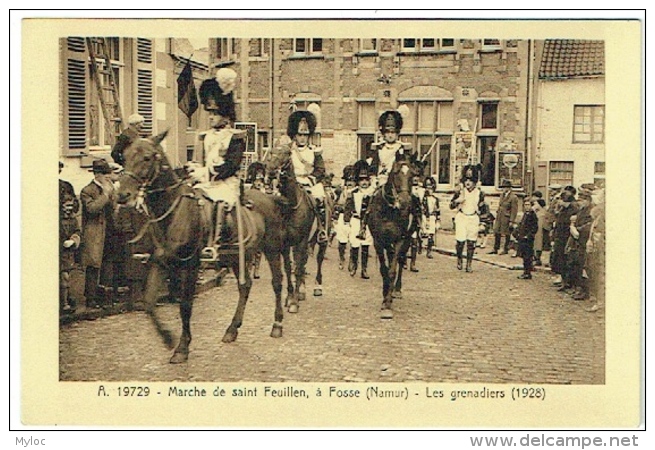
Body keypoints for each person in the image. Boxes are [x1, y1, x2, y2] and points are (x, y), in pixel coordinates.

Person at [196, 68, 245, 258]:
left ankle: (213, 245)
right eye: (209, 113)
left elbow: (232, 165)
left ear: (225, 114)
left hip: (226, 183)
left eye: (214, 114)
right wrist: (195, 170)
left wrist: (208, 174)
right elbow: (202, 160)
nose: (210, 117)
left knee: (218, 203)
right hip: (207, 181)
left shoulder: (235, 137)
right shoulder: (205, 136)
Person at [283, 110, 329, 243]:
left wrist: (311, 179)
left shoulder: (314, 151)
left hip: (310, 182)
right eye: (299, 135)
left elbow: (320, 169)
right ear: (294, 135)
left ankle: (321, 229)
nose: (302, 138)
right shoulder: (288, 150)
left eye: (305, 135)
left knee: (320, 199)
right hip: (293, 181)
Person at [80, 159, 116, 309]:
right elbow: (92, 209)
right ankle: (91, 298)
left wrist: (112, 195)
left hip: (109, 230)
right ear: (97, 175)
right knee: (93, 265)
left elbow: (114, 207)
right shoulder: (87, 190)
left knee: (108, 263)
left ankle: (106, 298)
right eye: (106, 175)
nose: (108, 177)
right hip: (94, 232)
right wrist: (106, 196)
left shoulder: (110, 188)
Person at [344, 160, 375, 279]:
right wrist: (347, 221)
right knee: (355, 244)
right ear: (358, 181)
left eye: (366, 180)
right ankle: (354, 264)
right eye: (361, 180)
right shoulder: (352, 193)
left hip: (367, 222)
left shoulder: (372, 194)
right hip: (356, 221)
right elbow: (348, 207)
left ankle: (364, 269)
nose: (364, 183)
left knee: (365, 245)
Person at [366, 110, 414, 187]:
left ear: (397, 133)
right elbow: (373, 167)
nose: (390, 135)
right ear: (384, 134)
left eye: (393, 132)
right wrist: (373, 178)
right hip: (380, 180)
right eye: (387, 132)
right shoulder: (379, 148)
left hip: (398, 182)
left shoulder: (402, 148)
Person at [450, 164, 483, 272]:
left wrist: (483, 221)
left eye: (471, 180)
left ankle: (469, 264)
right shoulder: (460, 192)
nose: (468, 183)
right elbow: (451, 206)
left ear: (475, 181)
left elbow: (483, 209)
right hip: (462, 217)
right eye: (466, 180)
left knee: (471, 243)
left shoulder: (479, 193)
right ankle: (459, 258)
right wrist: (457, 201)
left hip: (473, 218)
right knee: (460, 241)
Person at [59, 161, 81, 314]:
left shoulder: (66, 186)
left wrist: (73, 240)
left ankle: (65, 301)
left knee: (65, 275)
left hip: (66, 242)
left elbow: (75, 206)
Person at [566, 186, 594, 300]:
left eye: (582, 200)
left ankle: (584, 290)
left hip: (584, 240)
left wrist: (578, 229)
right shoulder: (582, 209)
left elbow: (589, 225)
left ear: (588, 200)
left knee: (583, 266)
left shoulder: (591, 210)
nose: (580, 202)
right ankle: (578, 288)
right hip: (577, 241)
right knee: (577, 265)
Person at [551, 189, 578, 289]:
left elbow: (568, 224)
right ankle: (563, 279)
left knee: (565, 260)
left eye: (561, 200)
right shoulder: (563, 209)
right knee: (559, 259)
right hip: (560, 237)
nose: (559, 202)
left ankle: (567, 282)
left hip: (566, 238)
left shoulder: (572, 210)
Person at [333, 165, 356, 270]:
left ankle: (352, 260)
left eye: (352, 180)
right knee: (342, 240)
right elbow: (335, 202)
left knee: (354, 240)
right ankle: (342, 258)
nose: (350, 183)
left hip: (354, 217)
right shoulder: (341, 191)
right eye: (348, 180)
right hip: (342, 216)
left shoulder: (358, 192)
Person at [489, 179, 518, 255]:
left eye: (505, 187)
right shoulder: (502, 195)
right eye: (503, 187)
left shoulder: (513, 197)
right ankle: (496, 248)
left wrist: (512, 220)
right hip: (499, 216)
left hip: (506, 217)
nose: (504, 189)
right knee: (497, 232)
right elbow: (500, 205)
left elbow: (514, 210)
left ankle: (506, 248)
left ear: (509, 188)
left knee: (506, 233)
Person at [515, 198, 539, 279]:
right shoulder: (525, 214)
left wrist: (528, 236)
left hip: (528, 239)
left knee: (528, 256)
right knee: (524, 255)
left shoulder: (532, 215)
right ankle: (525, 271)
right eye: (525, 205)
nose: (526, 206)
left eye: (528, 205)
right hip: (522, 237)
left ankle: (527, 272)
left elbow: (534, 227)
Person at [420, 176, 440, 260]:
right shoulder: (423, 198)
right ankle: (419, 245)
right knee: (422, 232)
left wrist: (438, 219)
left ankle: (429, 251)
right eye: (427, 186)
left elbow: (438, 210)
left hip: (432, 216)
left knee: (431, 234)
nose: (429, 188)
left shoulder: (435, 199)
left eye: (431, 186)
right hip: (424, 216)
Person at [407, 174, 425, 272]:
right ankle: (403, 260)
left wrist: (421, 225)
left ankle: (413, 263)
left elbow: (418, 211)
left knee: (414, 242)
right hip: (403, 221)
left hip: (413, 221)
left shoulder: (416, 196)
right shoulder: (404, 192)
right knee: (404, 242)